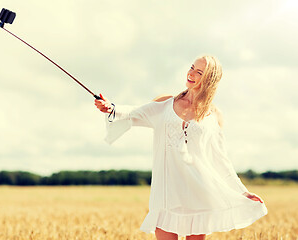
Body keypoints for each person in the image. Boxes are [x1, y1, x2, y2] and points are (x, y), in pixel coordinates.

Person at [94, 55, 268, 240]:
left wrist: (242, 191)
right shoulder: (165, 104)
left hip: (199, 194)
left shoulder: (214, 115)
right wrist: (110, 107)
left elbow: (220, 159)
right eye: (192, 67)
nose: (191, 73)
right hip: (167, 195)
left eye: (199, 72)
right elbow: (133, 113)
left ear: (210, 79)